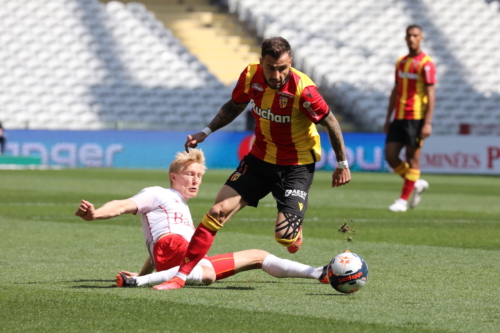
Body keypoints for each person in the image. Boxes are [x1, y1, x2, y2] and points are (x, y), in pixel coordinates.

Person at [158, 36, 351, 290]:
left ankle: (293, 231)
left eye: (283, 67)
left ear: (290, 62)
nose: (277, 74)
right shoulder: (251, 76)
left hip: (296, 166)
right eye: (271, 68)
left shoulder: (304, 90)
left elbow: (331, 122)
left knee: (285, 237)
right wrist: (206, 131)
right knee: (217, 210)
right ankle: (180, 276)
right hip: (259, 159)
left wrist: (342, 163)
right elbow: (234, 106)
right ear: (261, 62)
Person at [74, 149, 329, 289]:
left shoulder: (182, 207)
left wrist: (146, 268)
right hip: (174, 248)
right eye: (189, 174)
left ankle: (319, 273)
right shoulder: (157, 193)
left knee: (258, 256)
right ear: (173, 176)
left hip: (184, 257)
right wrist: (96, 214)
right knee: (205, 273)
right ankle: (139, 282)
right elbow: (122, 205)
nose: (195, 180)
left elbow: (157, 251)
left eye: (199, 176)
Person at [383, 25, 436, 212]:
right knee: (390, 156)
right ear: (405, 38)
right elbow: (395, 90)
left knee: (412, 159)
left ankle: (403, 201)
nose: (411, 38)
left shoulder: (426, 63)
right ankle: (416, 182)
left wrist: (427, 122)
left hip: (417, 117)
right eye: (409, 35)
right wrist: (387, 118)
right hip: (399, 116)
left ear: (421, 38)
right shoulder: (401, 62)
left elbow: (430, 94)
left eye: (415, 35)